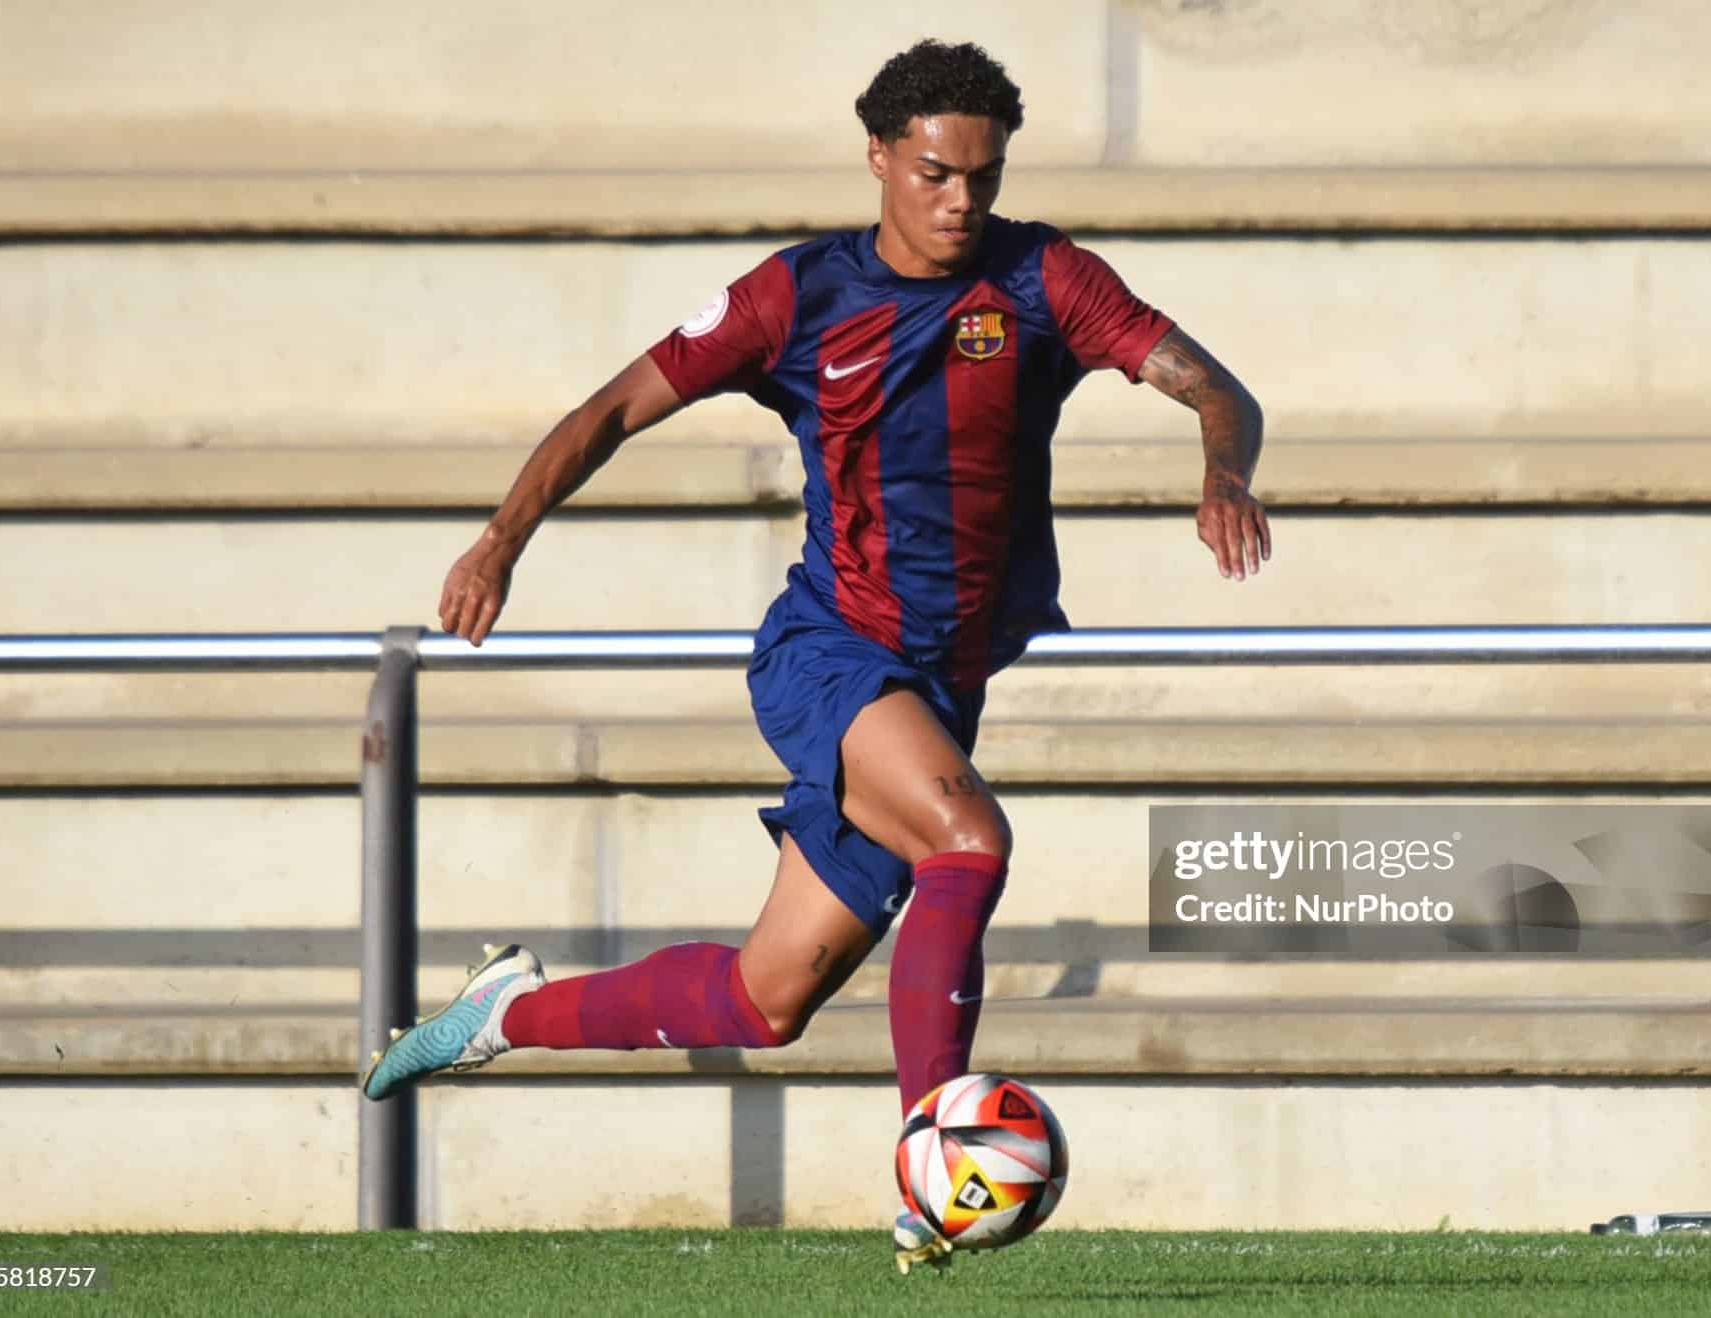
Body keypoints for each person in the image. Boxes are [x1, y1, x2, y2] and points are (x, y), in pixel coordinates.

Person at [360, 37, 1268, 1270]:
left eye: (984, 178)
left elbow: (1215, 385)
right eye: (939, 173)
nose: (962, 202)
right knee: (971, 841)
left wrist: (1220, 472)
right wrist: (498, 542)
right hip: (828, 652)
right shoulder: (796, 296)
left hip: (940, 687)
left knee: (765, 997)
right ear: (881, 159)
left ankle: (499, 1014)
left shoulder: (1044, 277)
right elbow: (613, 407)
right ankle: (931, 1165)